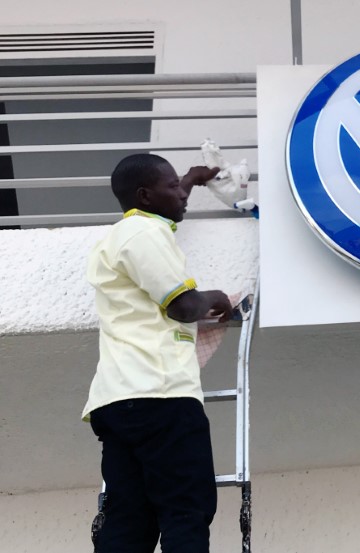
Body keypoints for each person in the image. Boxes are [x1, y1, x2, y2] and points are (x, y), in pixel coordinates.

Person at [83, 153, 233, 553]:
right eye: (172, 188)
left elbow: (170, 195)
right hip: (161, 396)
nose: (180, 195)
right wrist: (217, 297)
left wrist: (193, 179)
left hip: (120, 401)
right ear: (145, 196)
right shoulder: (144, 235)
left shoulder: (125, 234)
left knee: (128, 520)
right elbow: (182, 306)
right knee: (186, 510)